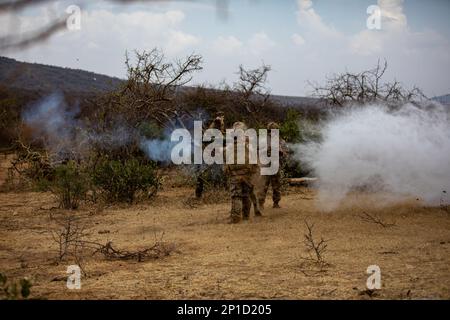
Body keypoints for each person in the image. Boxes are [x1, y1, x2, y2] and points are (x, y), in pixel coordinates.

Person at [224, 122, 261, 223]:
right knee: (246, 195)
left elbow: (225, 159)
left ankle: (236, 217)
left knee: (236, 195)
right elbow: (255, 163)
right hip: (247, 175)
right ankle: (245, 216)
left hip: (236, 175)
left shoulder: (230, 147)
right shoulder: (250, 146)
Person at [195, 111, 225, 198]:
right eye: (221, 116)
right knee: (205, 172)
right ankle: (201, 192)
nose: (222, 119)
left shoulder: (216, 126)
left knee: (216, 172)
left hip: (213, 152)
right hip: (210, 153)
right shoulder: (216, 124)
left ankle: (216, 190)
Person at [258, 122, 288, 209]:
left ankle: (276, 203)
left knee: (276, 186)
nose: (272, 133)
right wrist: (267, 150)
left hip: (275, 165)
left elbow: (286, 153)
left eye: (274, 131)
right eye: (270, 131)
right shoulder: (263, 139)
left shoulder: (281, 141)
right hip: (265, 165)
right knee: (263, 185)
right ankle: (260, 203)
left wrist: (281, 152)